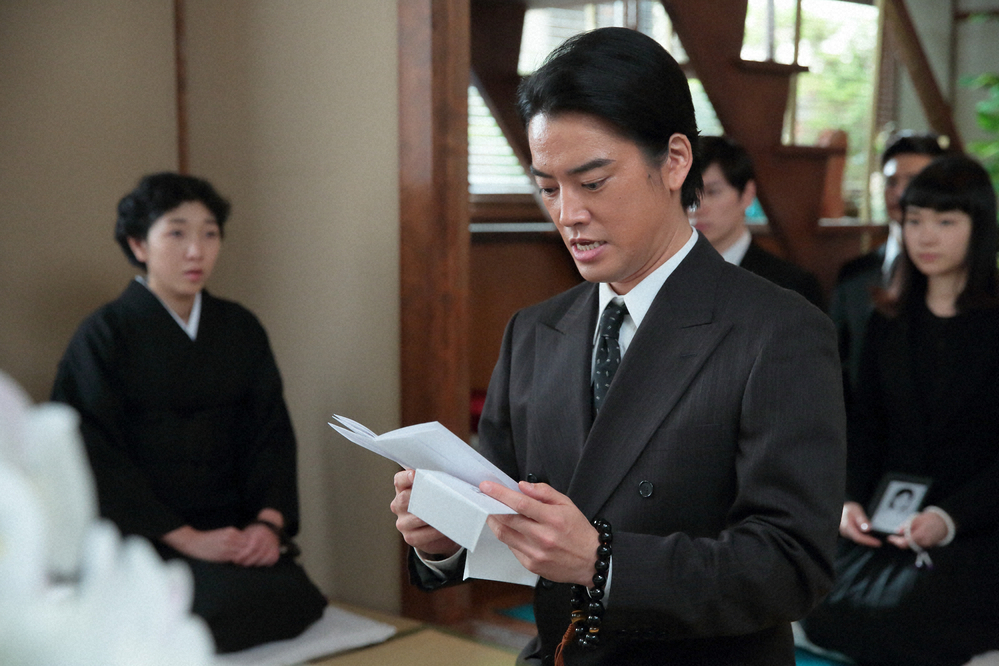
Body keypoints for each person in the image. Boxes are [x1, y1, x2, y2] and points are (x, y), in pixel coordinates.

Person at [391, 27, 845, 666]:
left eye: (594, 182)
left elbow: (793, 566)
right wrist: (444, 538)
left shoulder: (777, 330)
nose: (568, 214)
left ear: (675, 161)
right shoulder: (534, 332)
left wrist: (604, 563)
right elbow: (497, 508)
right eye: (549, 187)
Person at [51, 172, 326, 653]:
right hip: (145, 537)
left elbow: (270, 433)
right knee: (203, 612)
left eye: (209, 234)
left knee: (296, 599)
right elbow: (91, 452)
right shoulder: (103, 335)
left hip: (230, 532)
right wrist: (186, 538)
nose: (196, 251)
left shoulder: (240, 328)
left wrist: (267, 526)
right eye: (176, 233)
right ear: (139, 244)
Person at [800, 155, 999, 665]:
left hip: (975, 521)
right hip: (888, 515)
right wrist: (849, 499)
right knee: (816, 594)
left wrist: (949, 518)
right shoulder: (887, 319)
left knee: (907, 614)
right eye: (914, 221)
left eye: (945, 222)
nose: (925, 236)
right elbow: (865, 425)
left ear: (979, 228)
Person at [829, 131, 945, 404]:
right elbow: (834, 364)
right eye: (891, 181)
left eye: (913, 181)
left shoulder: (956, 276)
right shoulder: (854, 274)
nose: (899, 192)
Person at [690, 135, 825, 308]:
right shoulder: (664, 275)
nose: (696, 208)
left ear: (747, 194)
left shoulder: (791, 287)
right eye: (686, 194)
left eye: (712, 192)